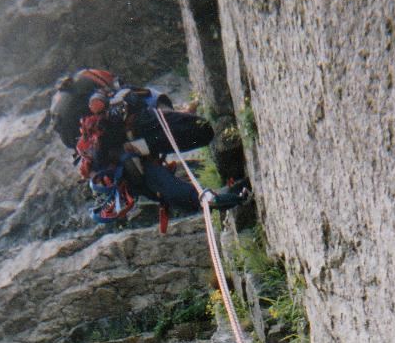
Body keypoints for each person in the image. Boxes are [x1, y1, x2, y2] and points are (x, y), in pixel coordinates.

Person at [50, 69, 250, 226]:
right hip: (136, 135)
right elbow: (155, 106)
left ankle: (221, 196)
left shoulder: (97, 140)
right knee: (201, 131)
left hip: (125, 162)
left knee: (172, 193)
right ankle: (226, 195)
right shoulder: (123, 95)